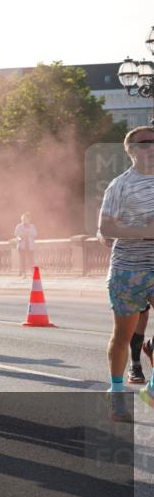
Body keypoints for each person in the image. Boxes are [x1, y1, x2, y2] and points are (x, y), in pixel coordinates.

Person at [96, 125, 154, 416]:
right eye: (144, 143)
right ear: (130, 150)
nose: (151, 147)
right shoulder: (120, 185)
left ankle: (152, 387)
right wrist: (143, 230)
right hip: (128, 270)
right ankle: (116, 391)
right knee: (122, 336)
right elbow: (105, 228)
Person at [14, 212, 37, 278]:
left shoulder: (32, 226)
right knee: (22, 260)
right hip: (22, 246)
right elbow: (16, 235)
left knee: (31, 260)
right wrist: (21, 237)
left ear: (29, 219)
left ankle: (33, 273)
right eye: (23, 218)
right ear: (21, 219)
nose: (24, 220)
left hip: (30, 246)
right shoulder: (18, 226)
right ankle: (24, 274)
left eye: (26, 218)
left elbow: (35, 234)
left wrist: (29, 233)